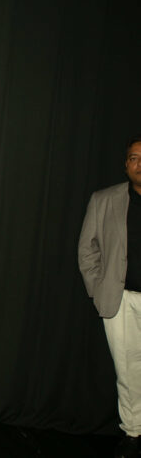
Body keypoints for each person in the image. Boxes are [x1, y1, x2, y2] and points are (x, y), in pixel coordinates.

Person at [79, 135, 141, 458]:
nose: (139, 164)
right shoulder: (104, 200)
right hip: (121, 300)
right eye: (134, 158)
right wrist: (98, 288)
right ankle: (133, 433)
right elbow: (87, 249)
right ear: (125, 164)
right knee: (128, 372)